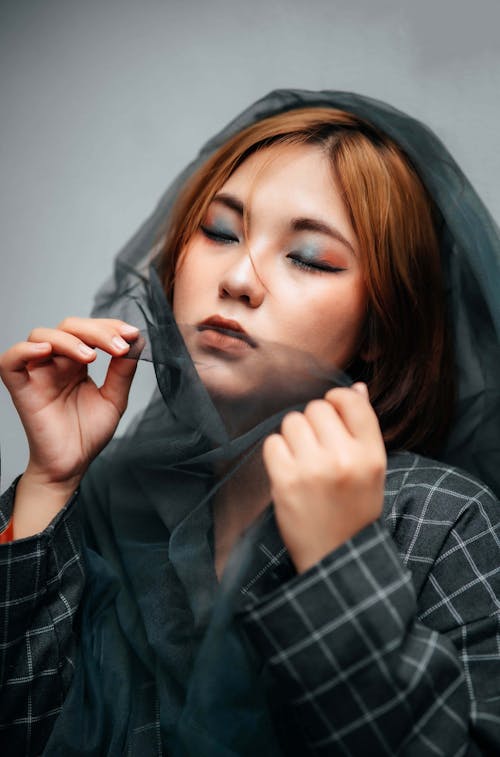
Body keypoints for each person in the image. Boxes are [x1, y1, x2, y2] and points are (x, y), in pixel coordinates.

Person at [0, 90, 499, 756]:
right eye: (219, 231)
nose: (238, 277)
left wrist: (339, 560)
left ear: (379, 325)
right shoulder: (110, 495)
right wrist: (50, 480)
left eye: (311, 257)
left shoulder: (443, 519)